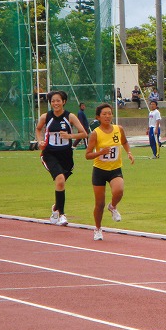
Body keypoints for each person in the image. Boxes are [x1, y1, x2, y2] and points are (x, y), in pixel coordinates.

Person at [35, 90, 88, 226]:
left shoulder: (70, 117)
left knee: (61, 183)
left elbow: (84, 134)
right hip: (50, 154)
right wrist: (40, 141)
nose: (55, 103)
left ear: (64, 101)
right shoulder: (46, 117)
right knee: (60, 180)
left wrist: (70, 136)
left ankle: (55, 208)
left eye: (58, 100)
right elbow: (38, 129)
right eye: (53, 101)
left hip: (66, 155)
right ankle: (62, 215)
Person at [86, 103, 134, 241]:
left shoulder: (119, 129)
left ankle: (112, 206)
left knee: (119, 191)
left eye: (109, 113)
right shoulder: (95, 134)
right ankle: (98, 228)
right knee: (99, 204)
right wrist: (100, 152)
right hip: (100, 170)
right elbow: (87, 155)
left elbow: (124, 142)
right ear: (98, 117)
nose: (107, 116)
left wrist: (129, 152)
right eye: (104, 114)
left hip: (115, 169)